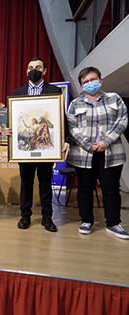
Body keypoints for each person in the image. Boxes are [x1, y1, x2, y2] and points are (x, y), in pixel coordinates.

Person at [4, 57, 70, 232]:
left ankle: (47, 218)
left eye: (38, 67)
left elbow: (62, 120)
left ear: (45, 71)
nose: (34, 70)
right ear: (26, 71)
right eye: (31, 67)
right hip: (25, 149)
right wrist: (8, 130)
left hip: (46, 148)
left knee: (45, 182)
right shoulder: (17, 93)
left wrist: (66, 140)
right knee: (26, 182)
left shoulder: (54, 91)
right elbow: (14, 121)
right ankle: (25, 216)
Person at [67, 66, 129, 239]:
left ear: (100, 81)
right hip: (84, 154)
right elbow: (71, 127)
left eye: (93, 80)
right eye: (85, 82)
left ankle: (113, 223)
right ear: (81, 86)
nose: (89, 83)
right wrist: (88, 144)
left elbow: (122, 120)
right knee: (85, 188)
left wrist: (105, 141)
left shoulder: (113, 99)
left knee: (111, 189)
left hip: (111, 152)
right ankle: (86, 220)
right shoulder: (75, 104)